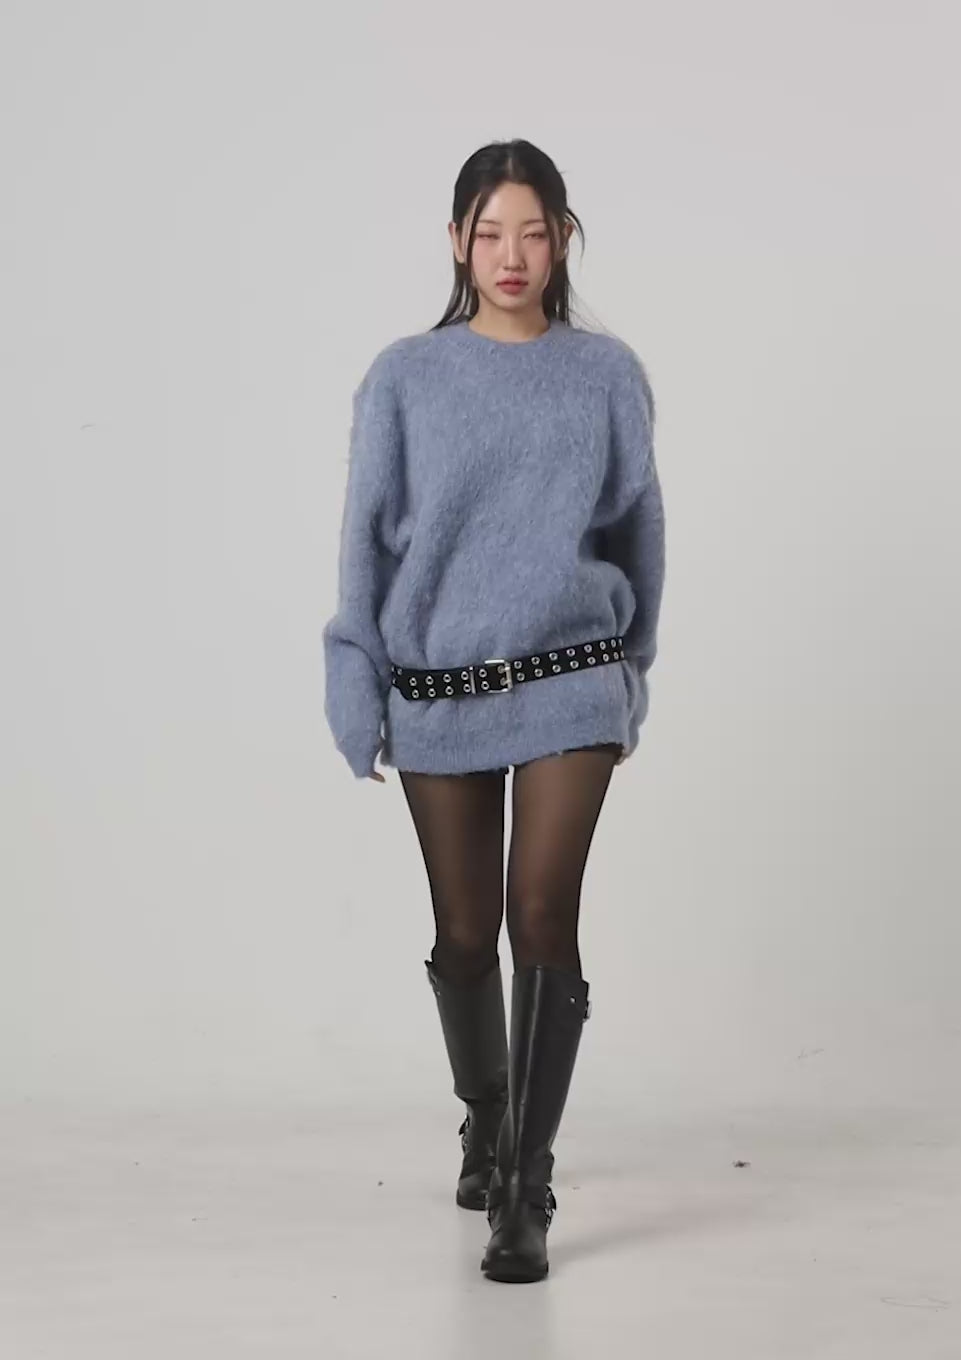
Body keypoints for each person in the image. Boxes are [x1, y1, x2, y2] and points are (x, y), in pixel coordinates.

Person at [321, 138, 666, 1283]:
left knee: (541, 917)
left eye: (532, 231)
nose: (510, 254)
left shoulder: (605, 372)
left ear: (562, 238)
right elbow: (366, 541)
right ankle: (486, 1115)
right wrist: (356, 673)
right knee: (465, 934)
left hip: (573, 674)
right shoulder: (406, 376)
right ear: (457, 241)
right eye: (488, 232)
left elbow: (638, 529)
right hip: (440, 686)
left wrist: (631, 673)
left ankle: (525, 1181)